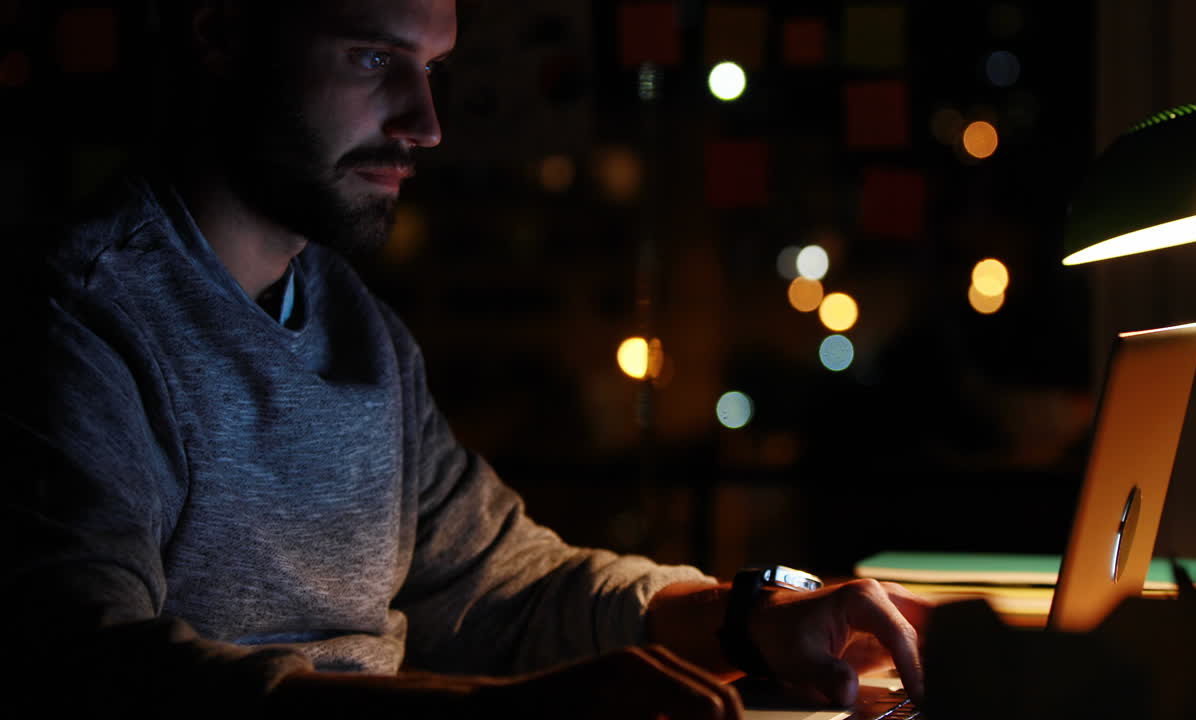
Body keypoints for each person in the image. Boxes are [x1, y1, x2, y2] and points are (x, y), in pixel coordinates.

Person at [2, 1, 930, 716]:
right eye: (375, 58)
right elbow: (91, 668)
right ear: (223, 32)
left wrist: (751, 616)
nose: (426, 121)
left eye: (435, 67)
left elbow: (498, 584)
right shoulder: (79, 322)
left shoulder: (357, 327)